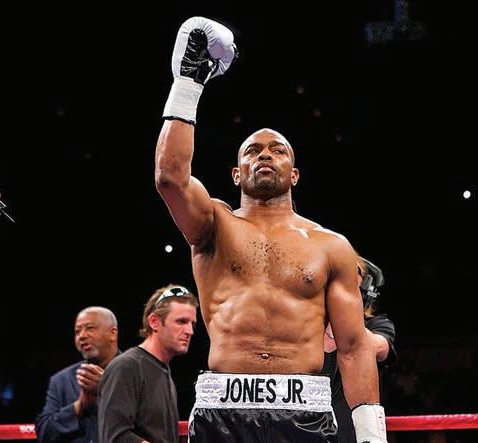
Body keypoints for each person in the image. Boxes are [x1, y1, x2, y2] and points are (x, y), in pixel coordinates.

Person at [155, 17, 387, 442]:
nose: (265, 155)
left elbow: (354, 348)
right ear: (236, 173)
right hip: (223, 411)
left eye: (277, 150)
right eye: (252, 151)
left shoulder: (331, 246)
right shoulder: (214, 225)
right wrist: (188, 83)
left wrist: (373, 438)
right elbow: (170, 178)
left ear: (294, 174)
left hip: (305, 412)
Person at [97, 284, 198, 443]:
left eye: (192, 324)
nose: (189, 331)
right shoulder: (126, 367)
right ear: (154, 321)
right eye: (181, 321)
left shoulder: (164, 373)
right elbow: (115, 436)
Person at [323, 256, 396, 443]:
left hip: (353, 430)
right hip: (306, 426)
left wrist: (343, 317)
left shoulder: (378, 324)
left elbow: (379, 348)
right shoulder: (308, 326)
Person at [36, 306, 120, 443]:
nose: (82, 335)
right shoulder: (61, 381)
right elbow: (44, 433)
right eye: (77, 331)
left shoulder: (136, 372)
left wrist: (106, 391)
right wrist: (81, 404)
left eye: (90, 328)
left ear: (113, 333)